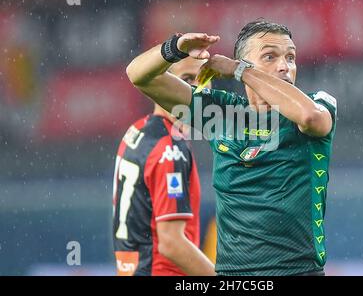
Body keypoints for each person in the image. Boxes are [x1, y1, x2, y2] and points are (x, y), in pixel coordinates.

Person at [125, 19, 337, 276]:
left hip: (297, 272)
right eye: (270, 56)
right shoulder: (222, 112)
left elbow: (311, 118)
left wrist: (240, 70)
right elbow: (139, 76)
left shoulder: (318, 104)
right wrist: (175, 48)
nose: (285, 66)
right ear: (245, 61)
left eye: (291, 58)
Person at [112, 57, 215, 276]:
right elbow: (171, 244)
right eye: (186, 79)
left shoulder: (137, 131)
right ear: (160, 85)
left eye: (204, 80)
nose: (197, 90)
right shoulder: (170, 148)